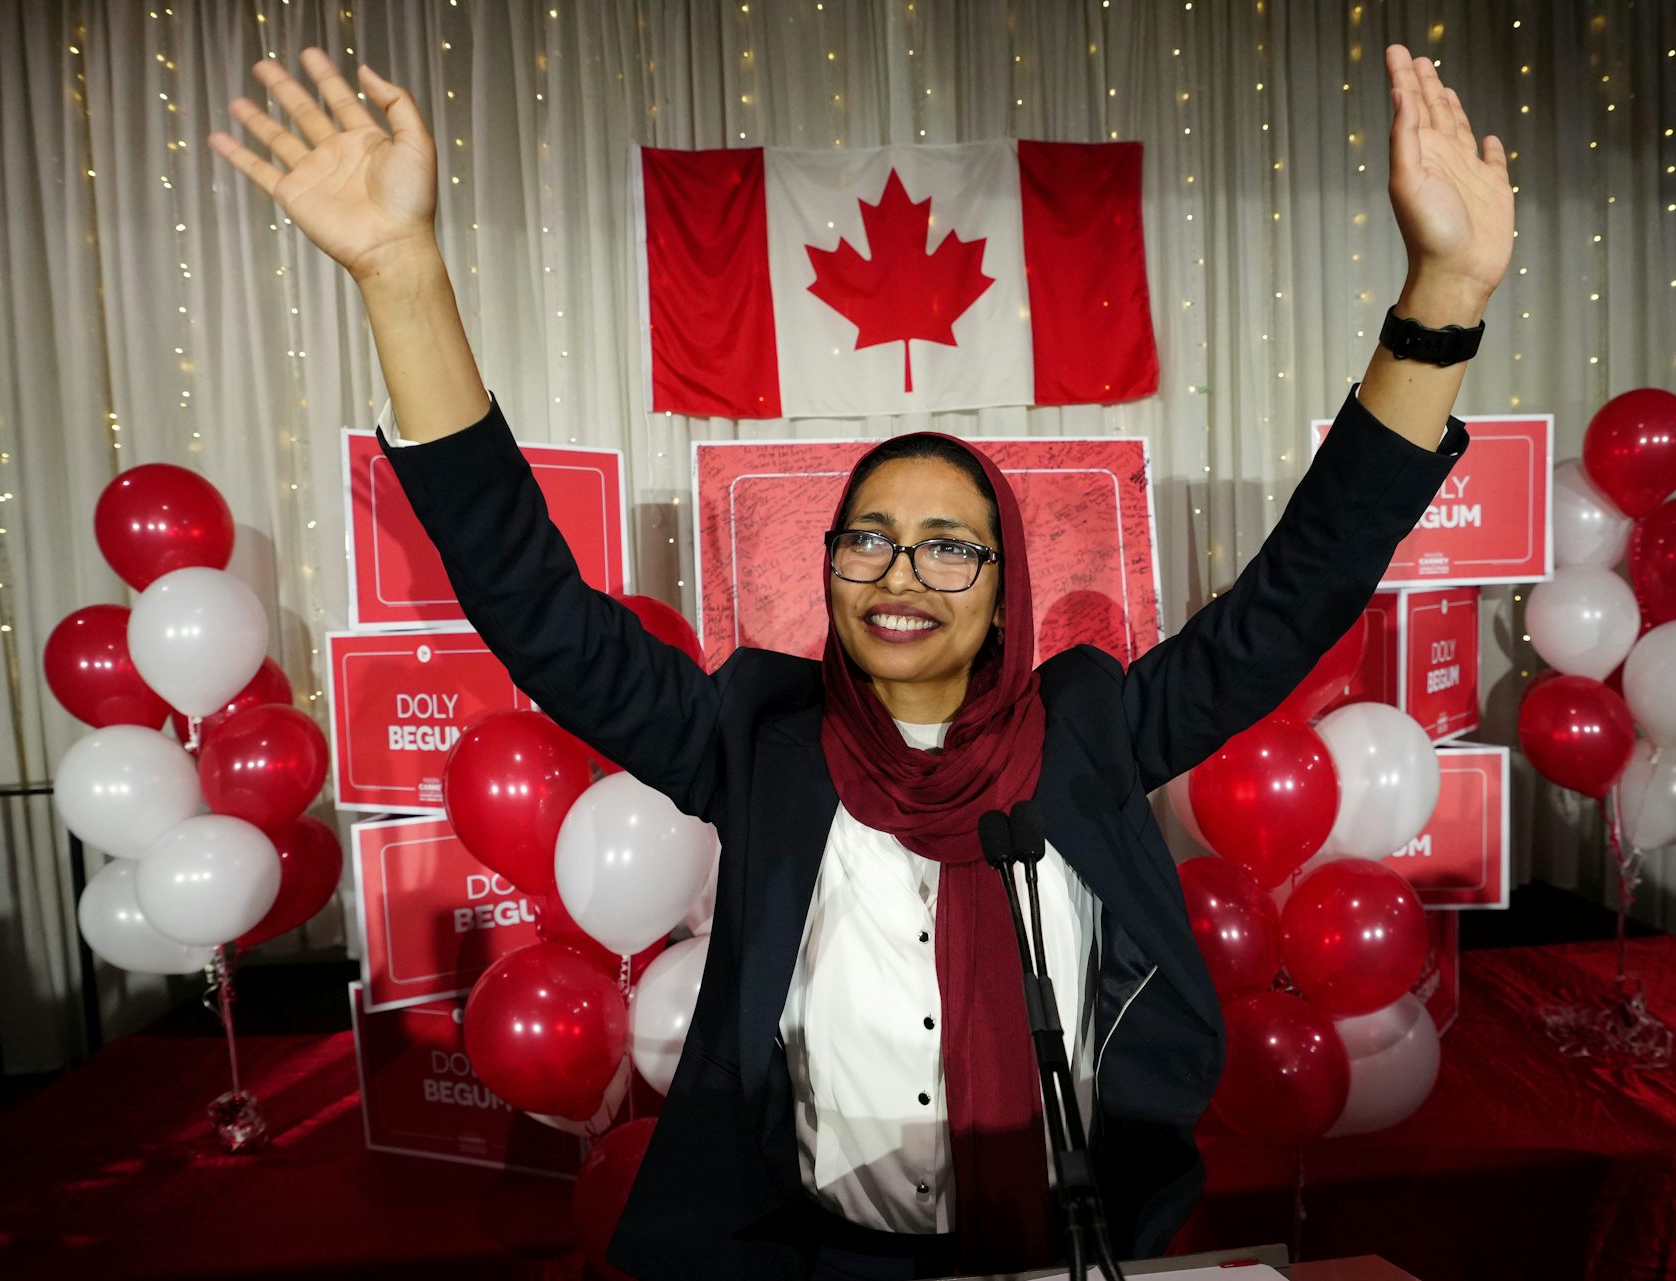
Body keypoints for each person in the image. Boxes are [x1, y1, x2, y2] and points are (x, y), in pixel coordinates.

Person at [211, 40, 1510, 1281]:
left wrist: (1443, 299)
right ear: (825, 572)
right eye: (869, 540)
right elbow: (529, 597)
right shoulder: (757, 736)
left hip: (1080, 1242)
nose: (902, 570)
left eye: (951, 545)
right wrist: (400, 271)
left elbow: (1299, 592)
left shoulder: (1092, 728)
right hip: (810, 1261)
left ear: (1005, 587)